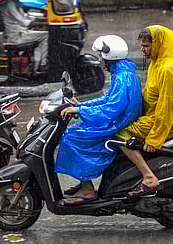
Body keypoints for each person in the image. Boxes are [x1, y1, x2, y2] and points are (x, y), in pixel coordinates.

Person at [55, 35, 142, 206]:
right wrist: (82, 106)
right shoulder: (122, 71)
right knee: (73, 132)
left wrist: (80, 110)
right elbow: (107, 99)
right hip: (117, 118)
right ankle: (83, 182)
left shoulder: (122, 76)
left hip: (117, 122)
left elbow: (111, 109)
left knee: (72, 138)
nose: (101, 61)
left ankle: (87, 189)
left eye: (102, 56)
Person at [116, 25, 173, 198]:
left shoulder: (168, 69)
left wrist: (155, 138)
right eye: (142, 45)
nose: (142, 49)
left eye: (146, 46)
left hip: (164, 122)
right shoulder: (157, 63)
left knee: (119, 134)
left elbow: (167, 108)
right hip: (153, 116)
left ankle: (149, 178)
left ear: (159, 45)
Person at [1, 0, 49, 75]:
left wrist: (42, 20)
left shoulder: (15, 2)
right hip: (16, 36)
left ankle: (37, 67)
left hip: (20, 32)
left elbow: (26, 17)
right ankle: (42, 64)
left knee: (41, 38)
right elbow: (24, 21)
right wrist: (41, 23)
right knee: (45, 36)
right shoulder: (9, 4)